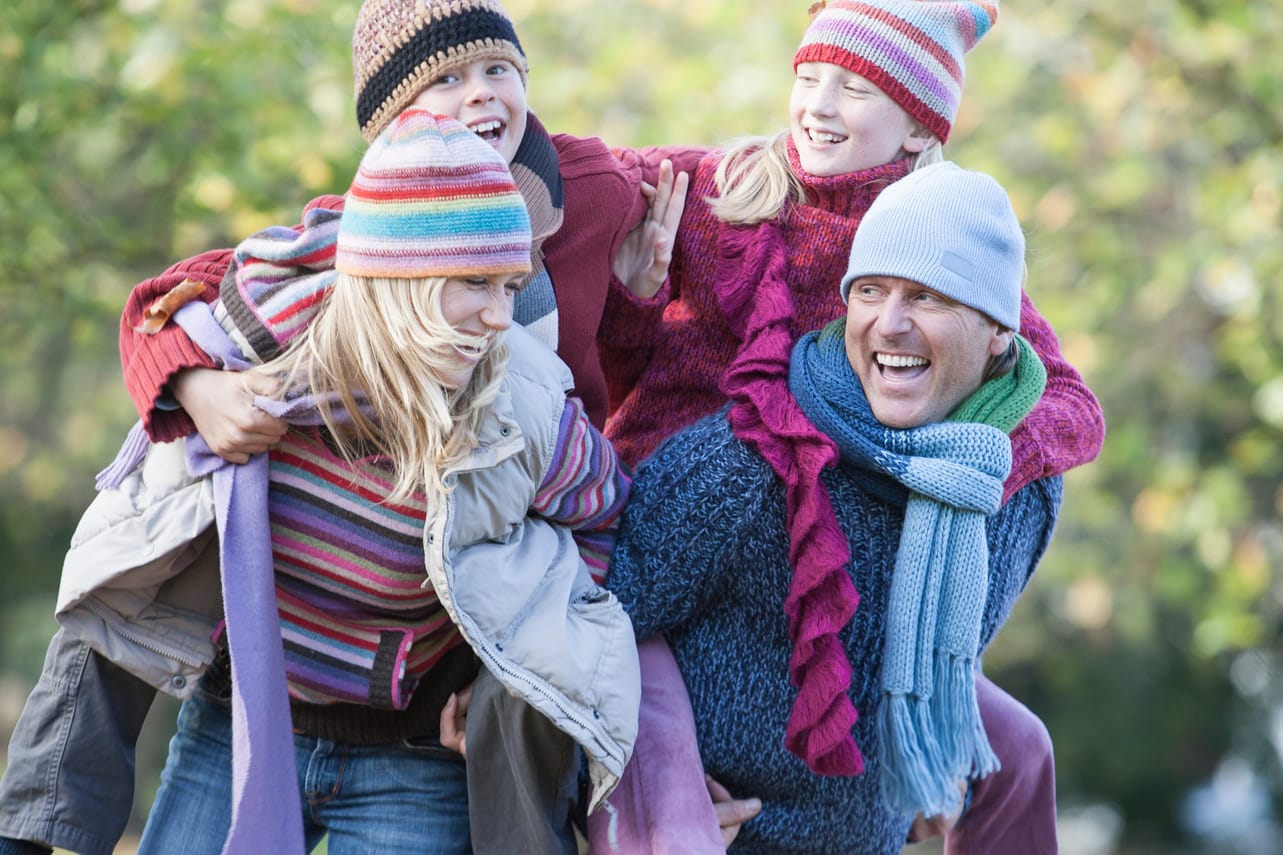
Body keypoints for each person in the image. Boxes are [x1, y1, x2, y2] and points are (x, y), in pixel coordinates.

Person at [0, 3, 698, 855]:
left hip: (411, 743)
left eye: (512, 288)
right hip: (248, 713)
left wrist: (507, 667)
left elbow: (596, 508)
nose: (498, 316)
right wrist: (194, 390)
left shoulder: (528, 361)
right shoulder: (300, 290)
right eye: (445, 80)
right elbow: (159, 311)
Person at [588, 1, 1100, 852]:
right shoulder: (724, 187)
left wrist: (951, 468)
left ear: (916, 126)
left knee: (1020, 749)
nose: (818, 106)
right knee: (667, 774)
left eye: (853, 88)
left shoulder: (934, 242)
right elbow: (561, 178)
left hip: (822, 532)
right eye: (808, 78)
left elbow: (1067, 406)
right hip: (673, 516)